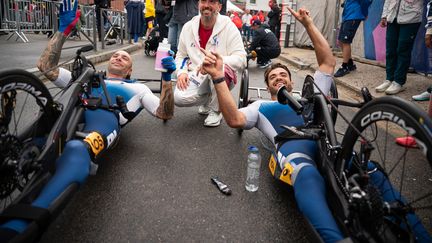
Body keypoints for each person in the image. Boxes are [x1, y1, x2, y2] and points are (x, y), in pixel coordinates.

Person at [199, 6, 432, 243]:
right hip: (295, 149)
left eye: (283, 75)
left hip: (328, 144)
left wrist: (309, 25)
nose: (278, 78)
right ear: (268, 87)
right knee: (308, 176)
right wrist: (219, 77)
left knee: (372, 171)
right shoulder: (260, 107)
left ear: (291, 82)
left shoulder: (311, 96)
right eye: (273, 77)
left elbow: (328, 62)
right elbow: (234, 119)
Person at [0, 0, 175, 239]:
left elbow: (164, 113)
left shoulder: (138, 88)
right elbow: (45, 66)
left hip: (102, 121)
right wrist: (63, 30)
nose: (118, 57)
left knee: (75, 150)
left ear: (130, 71)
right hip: (66, 114)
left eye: (125, 57)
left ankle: (17, 227)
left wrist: (167, 78)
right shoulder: (84, 76)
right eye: (116, 55)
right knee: (32, 143)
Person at [174, 0, 246, 127]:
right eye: (203, 1)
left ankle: (216, 110)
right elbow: (181, 55)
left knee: (218, 71)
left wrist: (217, 61)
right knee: (179, 98)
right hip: (198, 74)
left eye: (212, 1)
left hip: (222, 75)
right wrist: (182, 72)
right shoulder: (188, 27)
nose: (206, 5)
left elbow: (241, 59)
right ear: (198, 4)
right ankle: (208, 100)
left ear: (219, 6)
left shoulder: (229, 26)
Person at [375, 0, 423, 95]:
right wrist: (384, 16)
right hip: (392, 17)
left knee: (403, 50)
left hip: (411, 17)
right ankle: (389, 79)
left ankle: (398, 82)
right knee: (390, 50)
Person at [334, 0, 372, 77]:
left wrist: (365, 13)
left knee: (345, 41)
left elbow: (366, 1)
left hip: (353, 16)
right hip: (347, 16)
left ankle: (344, 67)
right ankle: (350, 63)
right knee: (341, 41)